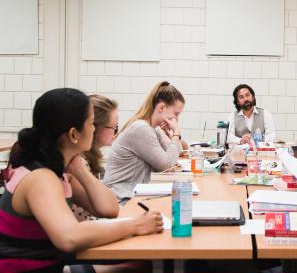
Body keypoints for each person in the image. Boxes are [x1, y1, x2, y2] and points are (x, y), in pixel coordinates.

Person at [0, 88, 162, 272]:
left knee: (139, 264)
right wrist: (135, 225)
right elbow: (68, 238)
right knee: (137, 267)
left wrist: (79, 169)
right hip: (28, 267)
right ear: (73, 134)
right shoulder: (41, 178)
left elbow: (108, 209)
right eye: (91, 123)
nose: (94, 129)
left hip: (48, 262)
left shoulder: (60, 169)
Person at [103, 81, 185, 202]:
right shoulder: (141, 129)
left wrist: (172, 135)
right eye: (176, 114)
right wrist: (176, 132)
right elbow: (166, 165)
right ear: (161, 108)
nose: (177, 119)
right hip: (119, 199)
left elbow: (176, 154)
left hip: (129, 195)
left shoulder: (153, 129)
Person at [73, 94, 119, 221]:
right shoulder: (77, 163)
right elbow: (107, 210)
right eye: (114, 128)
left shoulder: (86, 159)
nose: (116, 133)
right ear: (95, 129)